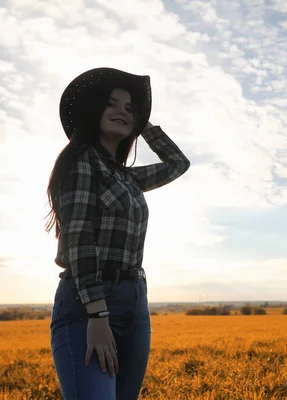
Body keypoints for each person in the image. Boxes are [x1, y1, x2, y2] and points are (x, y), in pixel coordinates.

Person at [45, 67, 190, 399]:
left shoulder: (126, 178)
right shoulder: (82, 161)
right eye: (112, 104)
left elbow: (177, 164)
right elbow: (79, 238)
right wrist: (97, 315)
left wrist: (145, 125)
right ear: (93, 110)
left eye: (129, 107)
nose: (122, 112)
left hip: (134, 297)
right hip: (89, 303)